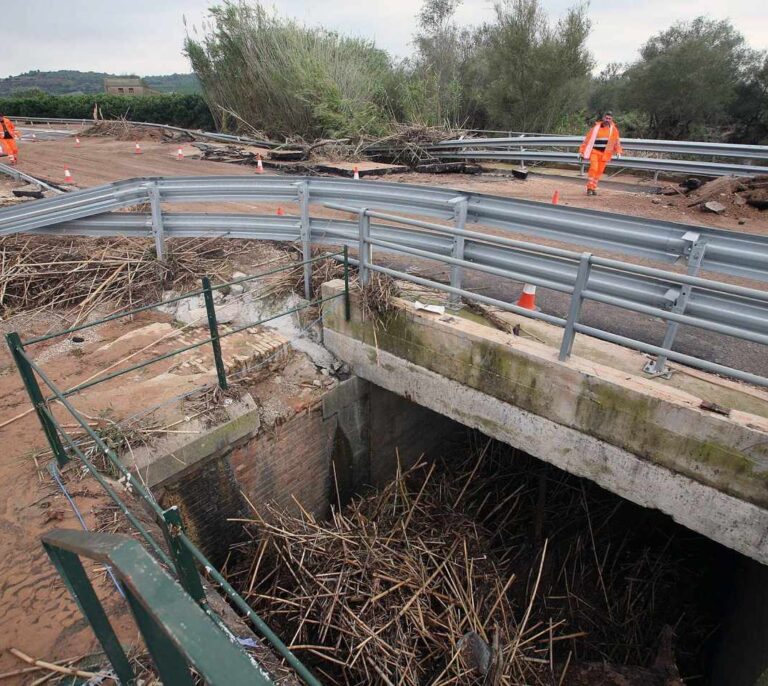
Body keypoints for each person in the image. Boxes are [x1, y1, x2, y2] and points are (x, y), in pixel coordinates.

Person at [578, 111, 622, 196]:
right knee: (594, 168)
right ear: (603, 118)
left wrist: (618, 151)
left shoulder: (613, 130)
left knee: (599, 172)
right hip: (595, 152)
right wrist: (581, 151)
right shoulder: (596, 128)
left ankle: (593, 188)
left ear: (611, 119)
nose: (607, 120)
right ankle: (589, 188)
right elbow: (587, 141)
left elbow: (617, 142)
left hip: (605, 154)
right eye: (606, 118)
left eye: (609, 118)